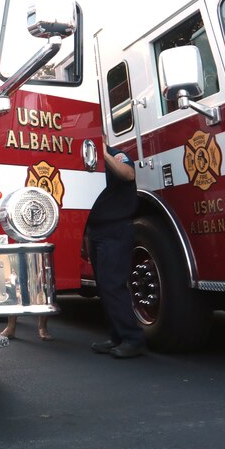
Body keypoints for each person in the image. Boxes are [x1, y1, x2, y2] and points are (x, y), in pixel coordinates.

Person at [86, 141, 146, 359]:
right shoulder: (87, 160)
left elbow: (128, 174)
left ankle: (133, 339)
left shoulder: (116, 154)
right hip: (97, 230)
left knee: (113, 284)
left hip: (116, 228)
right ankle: (117, 337)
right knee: (104, 287)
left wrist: (103, 152)